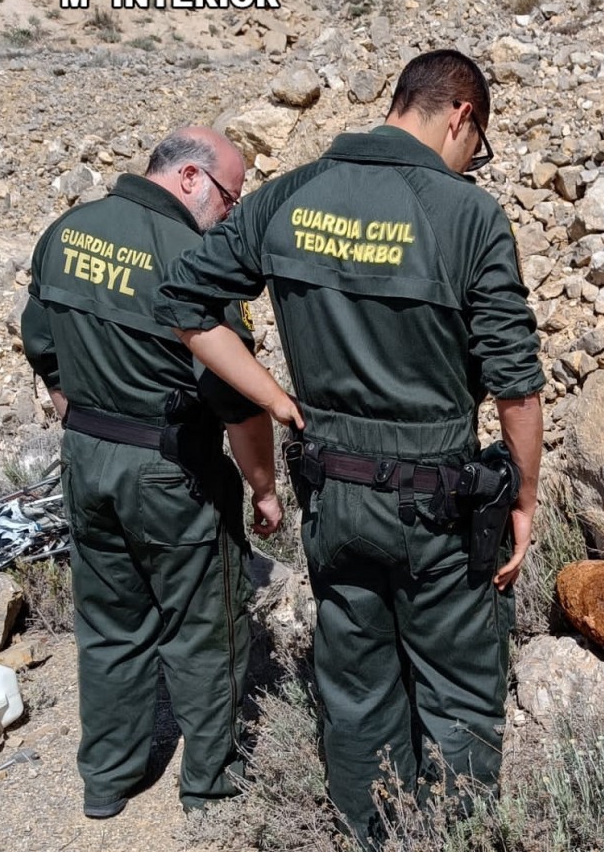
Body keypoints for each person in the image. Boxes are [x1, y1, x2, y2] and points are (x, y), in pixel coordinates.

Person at [154, 49, 545, 841]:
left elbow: (184, 307)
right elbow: (516, 384)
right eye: (479, 142)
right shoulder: (466, 214)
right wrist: (528, 499)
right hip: (439, 504)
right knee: (460, 693)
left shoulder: (288, 197)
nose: (474, 160)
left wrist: (274, 398)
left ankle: (370, 834)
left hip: (334, 496)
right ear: (460, 114)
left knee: (358, 686)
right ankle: (457, 835)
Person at [21, 127, 281, 819]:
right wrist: (263, 487)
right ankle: (210, 788)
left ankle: (107, 782)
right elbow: (238, 397)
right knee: (204, 628)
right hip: (170, 465)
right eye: (230, 195)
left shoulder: (67, 231)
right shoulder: (196, 259)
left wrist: (84, 416)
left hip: (86, 456)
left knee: (109, 625)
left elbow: (43, 344)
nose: (231, 211)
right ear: (192, 178)